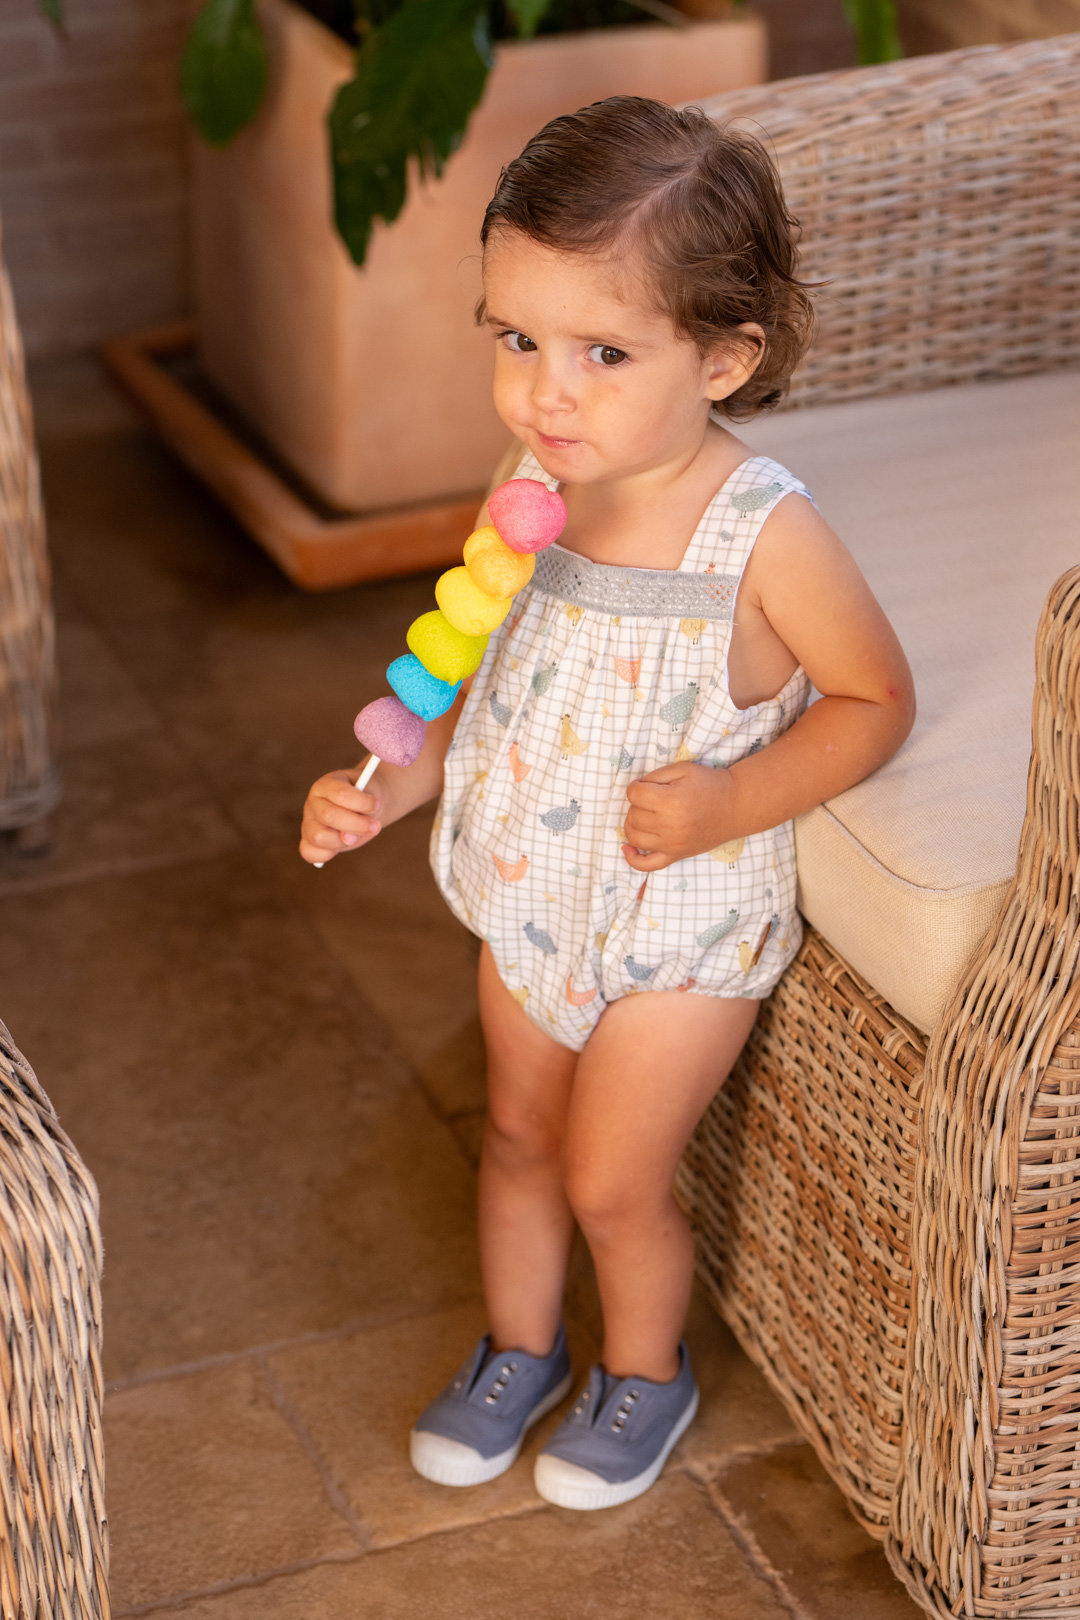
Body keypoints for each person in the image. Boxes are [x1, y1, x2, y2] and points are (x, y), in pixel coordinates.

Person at [300, 96, 914, 1512]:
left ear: (723, 358)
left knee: (608, 1181)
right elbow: (474, 678)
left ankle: (644, 1371)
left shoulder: (764, 534)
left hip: (678, 922)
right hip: (533, 894)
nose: (546, 395)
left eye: (604, 353)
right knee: (516, 1136)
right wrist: (389, 788)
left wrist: (733, 798)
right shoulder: (535, 487)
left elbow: (876, 700)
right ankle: (517, 1350)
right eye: (515, 339)